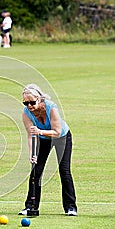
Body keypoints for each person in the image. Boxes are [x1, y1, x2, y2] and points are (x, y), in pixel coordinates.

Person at [19, 83, 78, 217]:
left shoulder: (51, 108)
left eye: (32, 102)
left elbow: (57, 132)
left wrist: (40, 131)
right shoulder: (26, 113)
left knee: (64, 171)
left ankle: (70, 207)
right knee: (36, 172)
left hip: (62, 137)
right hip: (43, 139)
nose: (29, 106)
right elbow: (30, 135)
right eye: (26, 103)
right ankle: (30, 207)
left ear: (39, 99)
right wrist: (32, 154)